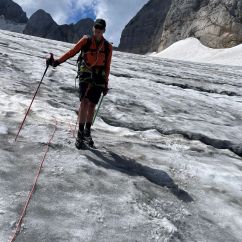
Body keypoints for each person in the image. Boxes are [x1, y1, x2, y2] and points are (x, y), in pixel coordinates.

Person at [47, 19, 113, 149]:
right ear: (93, 28)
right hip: (86, 73)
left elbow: (107, 66)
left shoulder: (107, 47)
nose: (98, 30)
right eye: (96, 27)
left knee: (92, 105)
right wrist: (58, 61)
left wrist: (105, 84)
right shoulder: (85, 41)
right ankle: (80, 133)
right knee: (84, 102)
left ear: (104, 30)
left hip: (99, 77)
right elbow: (72, 52)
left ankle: (87, 132)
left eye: (100, 28)